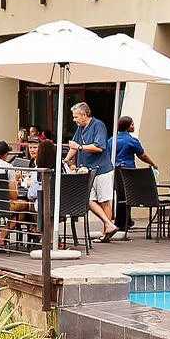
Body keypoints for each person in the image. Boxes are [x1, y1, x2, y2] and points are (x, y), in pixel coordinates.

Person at [66, 102, 118, 242]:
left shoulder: (98, 125)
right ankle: (109, 225)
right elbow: (74, 146)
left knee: (104, 201)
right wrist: (66, 160)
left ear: (84, 115)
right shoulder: (80, 128)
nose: (74, 120)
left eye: (76, 117)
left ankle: (106, 232)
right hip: (87, 170)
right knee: (87, 199)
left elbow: (99, 147)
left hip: (102, 169)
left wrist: (80, 147)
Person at [0, 139, 51, 248]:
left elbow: (31, 193)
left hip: (40, 202)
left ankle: (36, 231)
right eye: (30, 147)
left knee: (26, 206)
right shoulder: (35, 163)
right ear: (5, 155)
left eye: (35, 147)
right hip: (54, 202)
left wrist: (17, 182)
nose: (32, 150)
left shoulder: (40, 166)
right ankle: (36, 231)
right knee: (24, 207)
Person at [111, 115, 158, 235]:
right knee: (128, 196)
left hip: (116, 170)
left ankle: (124, 220)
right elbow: (142, 155)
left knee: (120, 195)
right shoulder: (132, 141)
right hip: (128, 170)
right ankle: (123, 222)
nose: (133, 126)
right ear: (128, 127)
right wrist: (153, 163)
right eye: (132, 124)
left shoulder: (112, 140)